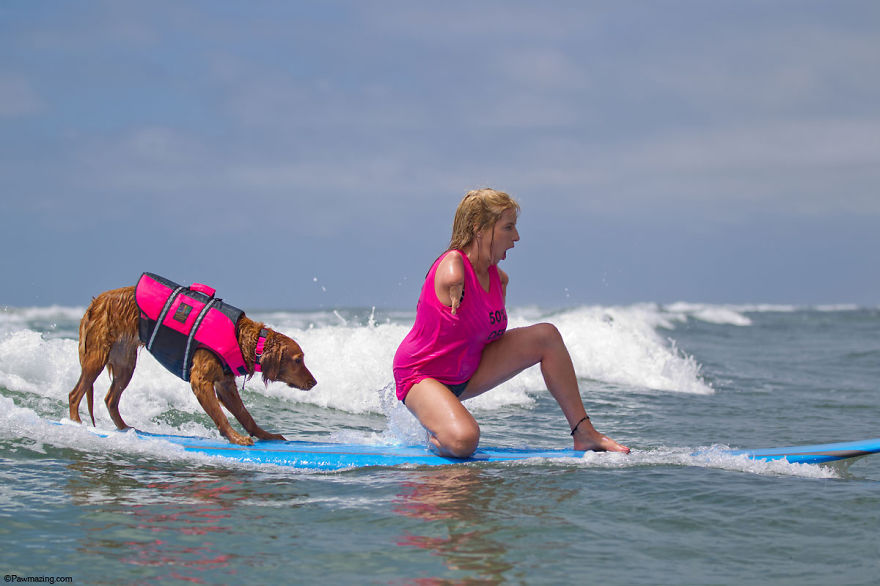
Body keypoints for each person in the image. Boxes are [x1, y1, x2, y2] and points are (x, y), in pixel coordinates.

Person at [393, 188, 630, 458]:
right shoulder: (453, 265)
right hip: (421, 374)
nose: (516, 237)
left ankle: (584, 433)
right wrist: (455, 282)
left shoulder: (499, 278)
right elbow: (451, 266)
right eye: (508, 227)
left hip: (465, 373)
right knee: (463, 442)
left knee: (546, 336)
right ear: (479, 228)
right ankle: (437, 430)